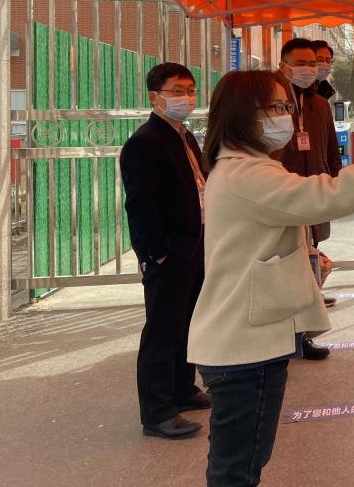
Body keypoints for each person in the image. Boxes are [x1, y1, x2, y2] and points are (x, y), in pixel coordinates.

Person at [188, 70, 354, 487]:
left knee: (239, 461)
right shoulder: (246, 174)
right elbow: (328, 195)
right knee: (237, 470)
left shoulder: (242, 168)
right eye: (277, 107)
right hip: (244, 348)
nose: (287, 116)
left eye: (288, 106)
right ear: (243, 113)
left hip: (244, 340)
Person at [120, 63, 210, 439]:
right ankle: (157, 413)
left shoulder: (184, 136)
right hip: (169, 252)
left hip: (194, 244)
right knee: (162, 331)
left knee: (187, 323)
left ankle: (181, 389)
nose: (186, 97)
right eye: (176, 91)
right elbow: (140, 204)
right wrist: (158, 253)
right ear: (154, 97)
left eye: (190, 90)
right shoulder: (145, 142)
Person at [275, 38, 343, 357]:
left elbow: (331, 149)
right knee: (287, 267)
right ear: (283, 66)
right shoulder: (273, 102)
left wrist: (335, 183)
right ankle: (285, 335)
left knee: (311, 263)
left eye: (313, 63)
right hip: (283, 196)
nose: (310, 69)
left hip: (314, 192)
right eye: (301, 63)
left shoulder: (320, 104)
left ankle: (302, 335)